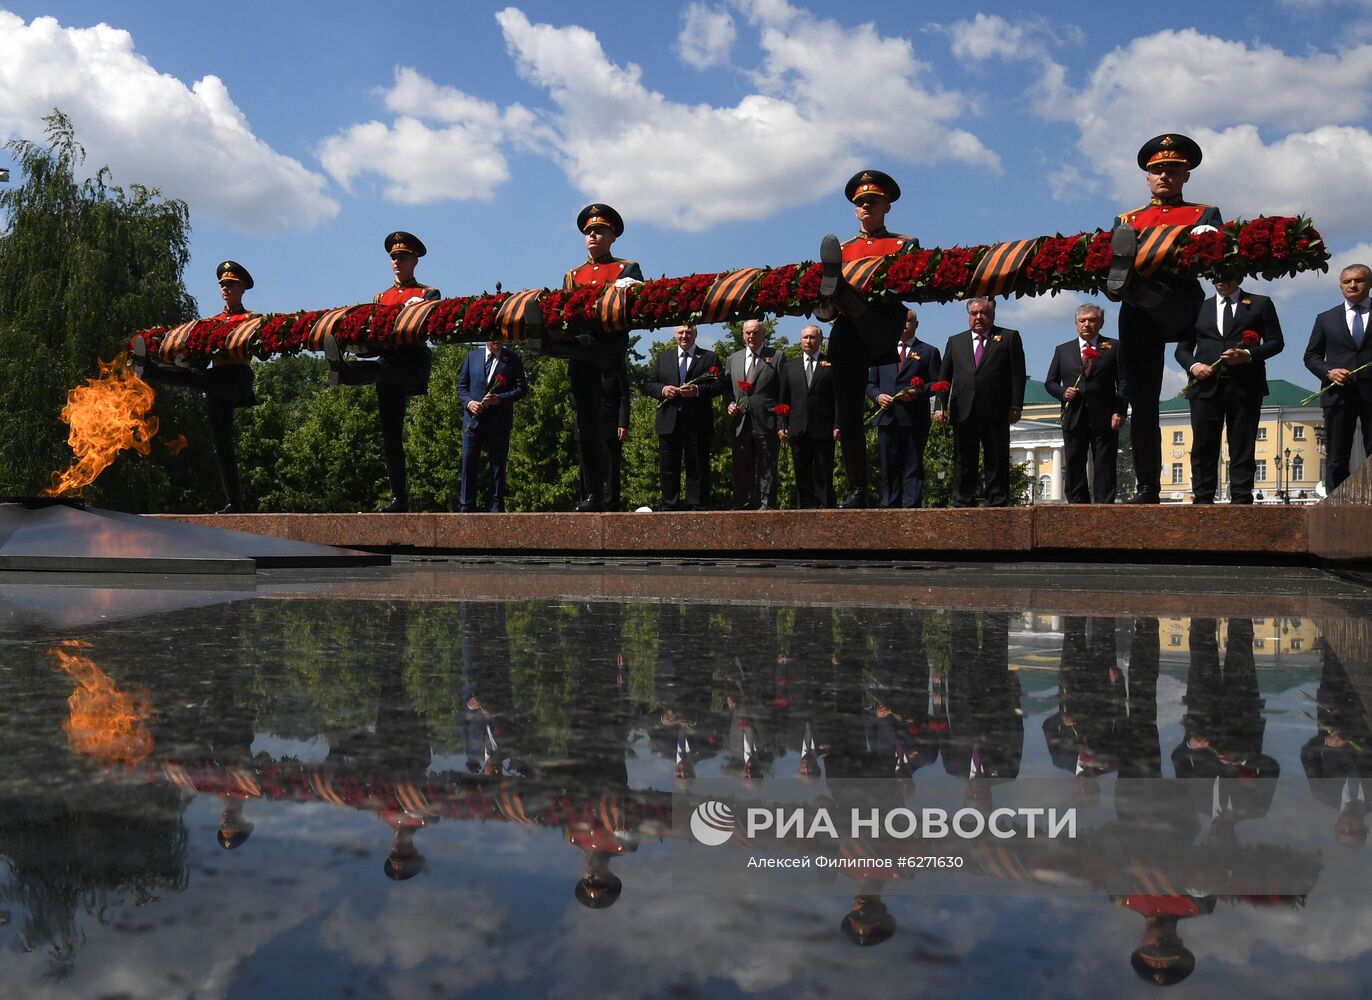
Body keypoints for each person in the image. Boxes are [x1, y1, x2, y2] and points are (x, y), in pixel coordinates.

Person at [1107, 134, 1223, 503]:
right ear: (1147, 177)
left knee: (1203, 401)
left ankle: (1204, 488)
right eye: (1157, 170)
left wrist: (1209, 239)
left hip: (1183, 303)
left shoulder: (1203, 214)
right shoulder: (1129, 219)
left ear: (1185, 175)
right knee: (1142, 402)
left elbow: (1217, 261)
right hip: (1138, 315)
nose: (1164, 177)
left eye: (1172, 170)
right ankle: (1147, 486)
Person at [815, 169, 916, 508]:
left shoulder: (904, 245)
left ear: (887, 205)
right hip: (847, 331)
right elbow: (827, 318)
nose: (866, 207)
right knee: (848, 412)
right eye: (861, 203)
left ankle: (840, 291)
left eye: (873, 201)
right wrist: (823, 307)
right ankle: (857, 487)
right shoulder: (842, 249)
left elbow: (908, 288)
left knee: (860, 307)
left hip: (881, 327)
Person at [322, 231, 439, 513]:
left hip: (411, 364)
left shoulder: (427, 293)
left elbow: (422, 329)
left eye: (402, 256)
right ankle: (399, 498)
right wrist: (357, 345)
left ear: (415, 260)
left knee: (382, 372)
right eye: (393, 257)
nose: (397, 261)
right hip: (385, 364)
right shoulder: (380, 297)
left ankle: (348, 373)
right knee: (390, 436)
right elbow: (375, 342)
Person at [131, 260, 258, 513]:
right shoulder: (212, 322)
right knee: (222, 444)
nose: (226, 289)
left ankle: (151, 370)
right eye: (223, 285)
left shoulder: (252, 319)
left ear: (242, 288)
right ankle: (234, 502)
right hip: (215, 380)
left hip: (235, 378)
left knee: (194, 378)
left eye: (231, 285)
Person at [563, 204, 643, 512]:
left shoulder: (627, 269)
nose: (592, 235)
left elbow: (631, 307)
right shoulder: (573, 275)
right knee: (585, 428)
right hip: (580, 355)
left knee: (607, 430)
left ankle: (610, 496)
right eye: (588, 232)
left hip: (608, 355)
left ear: (612, 237)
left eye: (599, 231)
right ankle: (592, 493)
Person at [1176, 279, 1284, 503]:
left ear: (1240, 276)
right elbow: (1183, 349)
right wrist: (1194, 366)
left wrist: (1248, 355)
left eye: (1226, 275)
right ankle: (1203, 497)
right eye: (1215, 277)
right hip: (1205, 385)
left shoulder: (1259, 303)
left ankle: (1242, 497)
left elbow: (1276, 342)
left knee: (1242, 444)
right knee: (1203, 445)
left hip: (1245, 385)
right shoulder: (1198, 307)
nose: (1220, 281)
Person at [934, 297, 1026, 507]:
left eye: (984, 313)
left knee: (996, 457)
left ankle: (997, 499)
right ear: (968, 316)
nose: (979, 317)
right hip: (963, 408)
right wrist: (940, 406)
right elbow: (943, 377)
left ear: (992, 315)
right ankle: (963, 499)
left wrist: (1016, 405)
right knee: (963, 458)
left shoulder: (1008, 337)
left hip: (996, 409)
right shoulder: (955, 341)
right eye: (974, 313)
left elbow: (1018, 374)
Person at [1044, 303, 1125, 503]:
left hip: (1105, 416)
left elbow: (1123, 381)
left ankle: (1104, 505)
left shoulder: (1114, 347)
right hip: (1074, 415)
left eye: (1092, 320)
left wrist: (1120, 411)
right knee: (1074, 462)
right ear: (1076, 324)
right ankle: (1077, 505)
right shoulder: (1063, 350)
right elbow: (1050, 382)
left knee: (1104, 463)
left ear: (1101, 322)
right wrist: (1063, 393)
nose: (1087, 324)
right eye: (1082, 320)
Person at [1303, 263, 1372, 492]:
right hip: (1338, 394)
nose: (1352, 285)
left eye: (1359, 280)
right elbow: (1311, 356)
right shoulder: (1326, 318)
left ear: (1369, 283)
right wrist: (1329, 371)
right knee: (1336, 454)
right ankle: (1335, 504)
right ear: (1340, 286)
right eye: (1347, 281)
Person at [867, 308, 941, 507]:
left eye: (908, 321)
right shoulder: (880, 350)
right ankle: (891, 506)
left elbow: (937, 384)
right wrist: (877, 396)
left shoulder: (929, 351)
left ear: (916, 325)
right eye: (900, 321)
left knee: (912, 466)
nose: (904, 325)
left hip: (914, 418)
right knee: (889, 466)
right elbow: (870, 383)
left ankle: (912, 507)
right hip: (887, 418)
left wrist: (917, 393)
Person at [644, 325, 722, 510]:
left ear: (695, 334)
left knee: (697, 465)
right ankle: (670, 504)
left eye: (688, 332)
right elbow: (649, 384)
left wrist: (697, 391)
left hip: (697, 422)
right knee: (668, 466)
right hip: (669, 422)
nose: (684, 336)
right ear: (675, 335)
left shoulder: (709, 357)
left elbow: (721, 385)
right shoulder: (664, 358)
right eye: (681, 332)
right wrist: (663, 390)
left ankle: (697, 504)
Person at [456, 340, 528, 512]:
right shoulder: (472, 356)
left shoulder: (512, 359)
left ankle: (496, 508)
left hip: (499, 423)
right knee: (469, 464)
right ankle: (466, 506)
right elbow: (461, 387)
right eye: (492, 337)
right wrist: (469, 403)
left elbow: (522, 389)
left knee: (497, 467)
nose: (496, 341)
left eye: (499, 337)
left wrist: (500, 399)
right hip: (473, 422)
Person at [724, 319, 782, 509]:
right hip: (741, 421)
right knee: (741, 467)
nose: (751, 336)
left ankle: (767, 505)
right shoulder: (733, 359)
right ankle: (742, 504)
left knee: (767, 466)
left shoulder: (777, 356)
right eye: (747, 333)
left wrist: (782, 423)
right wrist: (730, 404)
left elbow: (782, 391)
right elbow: (727, 391)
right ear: (743, 334)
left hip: (766, 420)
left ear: (762, 334)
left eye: (755, 332)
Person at [778, 325, 839, 508]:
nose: (808, 341)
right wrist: (781, 424)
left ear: (820, 340)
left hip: (824, 429)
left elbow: (838, 399)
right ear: (800, 339)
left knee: (823, 473)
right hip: (798, 428)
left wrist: (838, 424)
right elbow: (783, 399)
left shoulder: (830, 364)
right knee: (801, 474)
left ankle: (825, 510)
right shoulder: (790, 367)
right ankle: (804, 511)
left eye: (812, 337)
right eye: (805, 337)